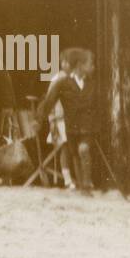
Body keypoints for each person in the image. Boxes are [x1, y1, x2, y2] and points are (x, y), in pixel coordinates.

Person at [37, 48, 97, 192]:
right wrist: (39, 119)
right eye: (90, 64)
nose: (93, 67)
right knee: (75, 155)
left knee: (83, 149)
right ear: (79, 65)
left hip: (88, 126)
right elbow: (49, 101)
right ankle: (82, 186)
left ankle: (87, 183)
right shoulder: (63, 83)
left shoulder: (93, 84)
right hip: (71, 126)